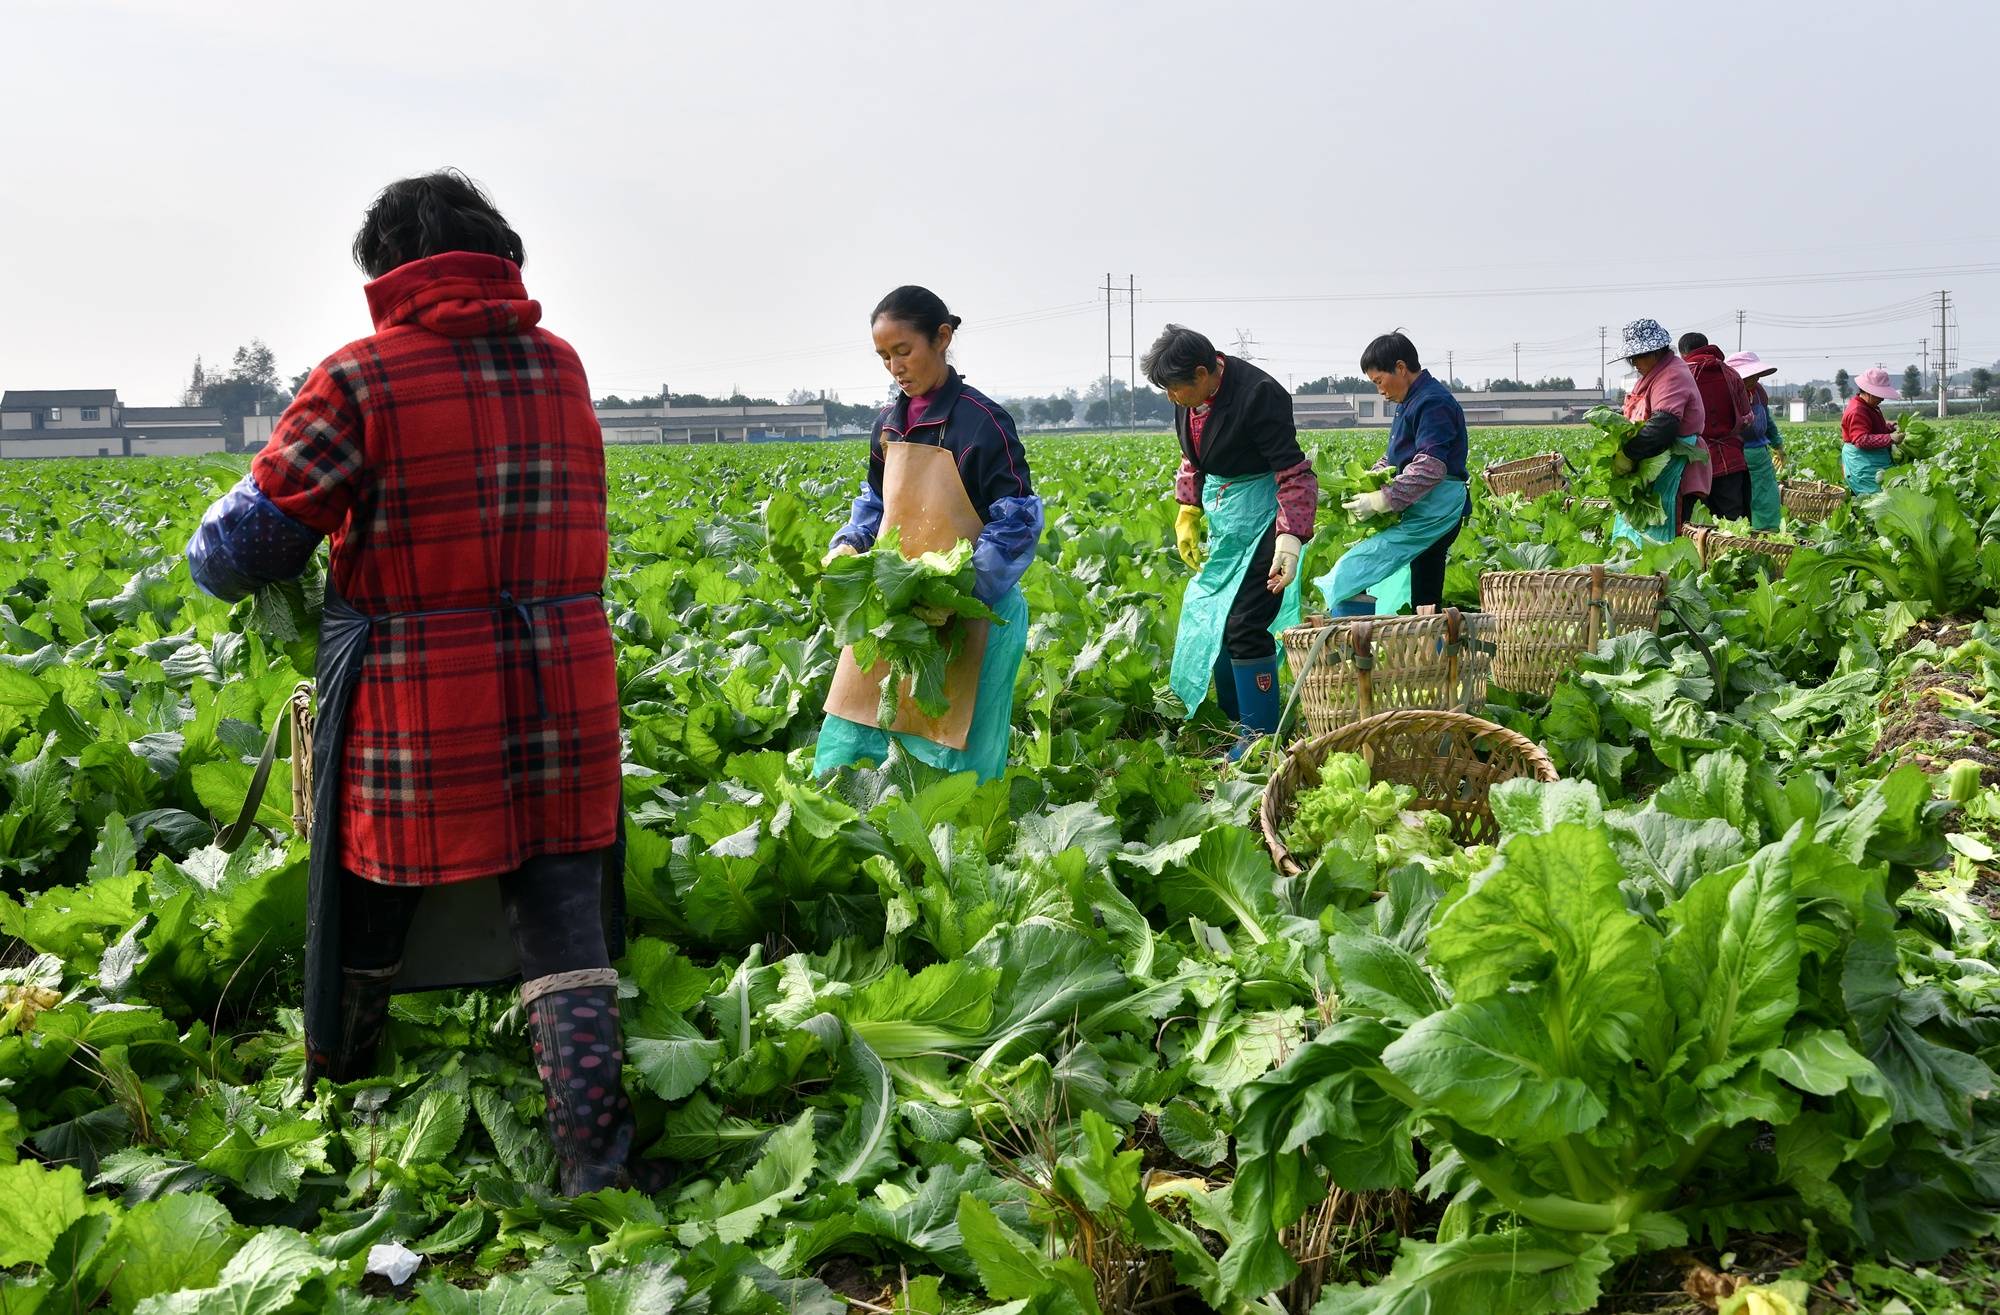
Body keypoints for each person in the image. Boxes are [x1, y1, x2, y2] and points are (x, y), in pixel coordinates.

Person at [185, 171, 645, 1195]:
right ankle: (598, 1165)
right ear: (500, 253)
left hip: (423, 695)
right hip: (564, 677)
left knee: (367, 891)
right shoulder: (559, 366)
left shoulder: (360, 375)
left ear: (386, 270)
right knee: (561, 912)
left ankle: (339, 1092)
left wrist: (207, 542)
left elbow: (247, 547)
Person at [814, 287, 1042, 783]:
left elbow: (1017, 522)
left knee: (957, 748)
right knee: (860, 726)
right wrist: (850, 543)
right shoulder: (887, 426)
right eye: (883, 356)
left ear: (942, 338)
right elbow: (876, 502)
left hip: (975, 614)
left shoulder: (983, 424)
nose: (895, 367)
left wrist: (963, 591)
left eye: (903, 351)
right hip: (898, 612)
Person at [1148, 324, 1316, 757]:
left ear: (1203, 373)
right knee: (1215, 615)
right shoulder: (1186, 396)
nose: (1171, 398)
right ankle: (1231, 722)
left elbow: (1294, 474)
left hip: (1266, 516)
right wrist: (1187, 509)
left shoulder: (1259, 395)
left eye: (1174, 388)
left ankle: (1259, 738)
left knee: (1245, 620)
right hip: (1228, 519)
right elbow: (1192, 458)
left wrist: (1290, 539)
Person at [1318, 332, 1470, 618]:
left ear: (1400, 368)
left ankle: (1407, 651)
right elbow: (1395, 457)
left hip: (1437, 509)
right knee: (1425, 588)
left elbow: (1430, 466)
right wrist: (1370, 480)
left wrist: (1382, 499)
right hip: (1425, 506)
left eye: (1378, 381)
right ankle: (1429, 649)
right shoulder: (1411, 402)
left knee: (1353, 570)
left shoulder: (1433, 402)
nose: (1380, 391)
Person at [1605, 319, 1706, 544]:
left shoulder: (1672, 375)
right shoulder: (1655, 374)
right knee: (1638, 533)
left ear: (1656, 351)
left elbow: (1663, 426)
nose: (1634, 363)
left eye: (1638, 356)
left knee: (1664, 535)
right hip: (1655, 464)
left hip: (1674, 466)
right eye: (1631, 359)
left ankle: (1655, 578)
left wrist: (1627, 455)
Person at [1678, 333, 1750, 522]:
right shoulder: (1731, 374)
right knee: (1733, 523)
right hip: (1731, 460)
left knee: (1697, 524)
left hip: (1693, 463)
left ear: (1683, 353)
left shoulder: (1681, 375)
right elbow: (1746, 416)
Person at [1725, 351, 1787, 530]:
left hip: (1759, 455)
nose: (1754, 380)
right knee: (1738, 500)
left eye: (1756, 376)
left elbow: (1767, 422)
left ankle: (1767, 538)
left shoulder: (1758, 392)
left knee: (1767, 498)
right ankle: (1742, 538)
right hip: (1735, 455)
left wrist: (1778, 445)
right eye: (1749, 376)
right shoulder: (1728, 393)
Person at [1841, 367, 1901, 494]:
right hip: (1862, 461)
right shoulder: (1857, 410)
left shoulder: (1869, 406)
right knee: (1872, 495)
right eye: (1880, 395)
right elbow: (1861, 440)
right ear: (1869, 392)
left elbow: (1874, 428)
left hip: (1872, 458)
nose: (1882, 399)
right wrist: (1890, 438)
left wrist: (1891, 428)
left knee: (1884, 493)